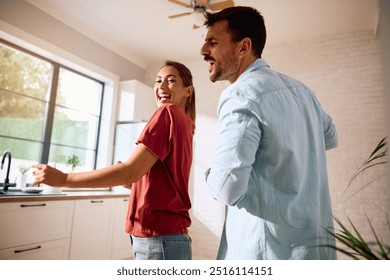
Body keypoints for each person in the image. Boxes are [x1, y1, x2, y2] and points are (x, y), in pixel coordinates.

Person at [200, 6, 338, 260]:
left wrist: (210, 173)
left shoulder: (239, 94)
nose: (203, 51)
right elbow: (330, 136)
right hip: (315, 250)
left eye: (213, 42)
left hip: (267, 253)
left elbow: (226, 187)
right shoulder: (303, 91)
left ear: (243, 47)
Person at [32, 61, 196, 260]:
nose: (161, 87)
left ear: (188, 91)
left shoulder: (167, 112)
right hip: (169, 238)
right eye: (158, 81)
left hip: (158, 238)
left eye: (171, 81)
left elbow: (130, 171)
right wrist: (136, 182)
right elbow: (163, 180)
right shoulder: (186, 123)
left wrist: (64, 179)